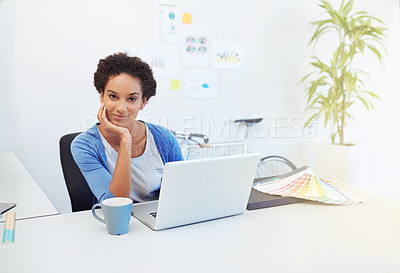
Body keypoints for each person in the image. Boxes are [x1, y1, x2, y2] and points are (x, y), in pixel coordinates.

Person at [71, 52, 183, 204]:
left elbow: (183, 189)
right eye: (113, 96)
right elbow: (116, 203)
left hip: (157, 219)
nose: (121, 108)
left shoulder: (163, 138)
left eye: (132, 99)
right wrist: (125, 139)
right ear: (102, 95)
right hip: (117, 223)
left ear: (143, 102)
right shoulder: (84, 146)